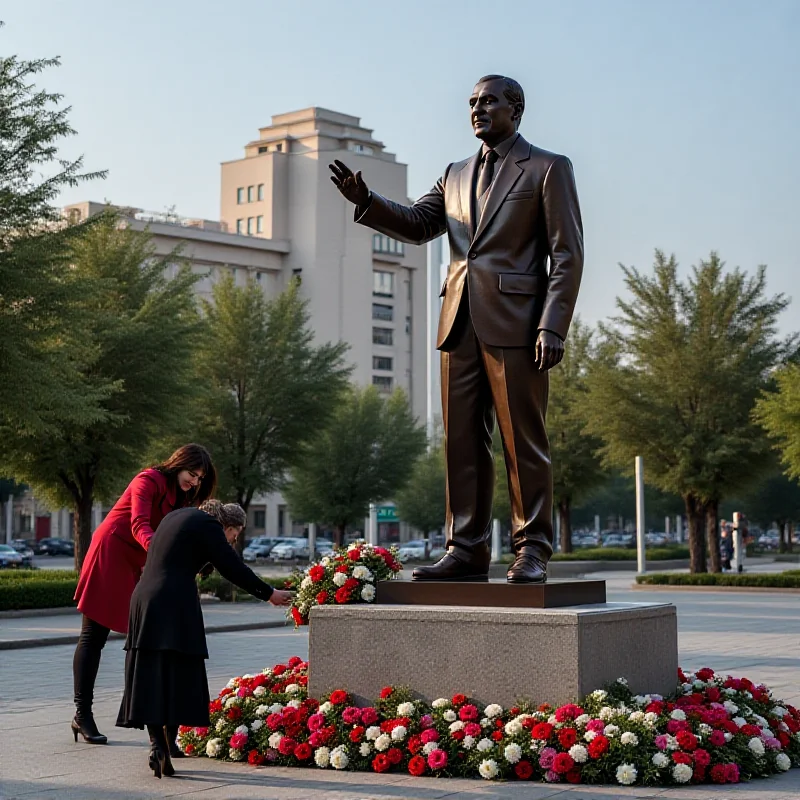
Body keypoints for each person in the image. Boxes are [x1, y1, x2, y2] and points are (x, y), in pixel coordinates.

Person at [330, 74, 583, 584]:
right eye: (471, 103)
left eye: (488, 101)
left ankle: (532, 547)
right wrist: (367, 200)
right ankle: (465, 549)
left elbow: (567, 253)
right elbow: (419, 224)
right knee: (461, 443)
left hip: (518, 324)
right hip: (458, 323)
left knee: (522, 442)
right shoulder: (455, 174)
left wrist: (553, 326)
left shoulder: (548, 168)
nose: (476, 109)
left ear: (516, 108)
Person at [116, 500, 292, 779]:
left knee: (150, 672)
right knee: (180, 672)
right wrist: (268, 593)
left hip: (143, 599)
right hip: (175, 602)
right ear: (228, 526)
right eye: (234, 535)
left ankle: (159, 746)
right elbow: (232, 567)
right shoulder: (209, 526)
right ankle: (166, 744)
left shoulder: (178, 517)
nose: (233, 541)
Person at [71, 444, 216, 745]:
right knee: (93, 636)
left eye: (200, 478)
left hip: (142, 561)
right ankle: (82, 714)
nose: (195, 481)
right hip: (112, 551)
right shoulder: (147, 480)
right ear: (179, 464)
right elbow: (140, 524)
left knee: (145, 641)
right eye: (193, 474)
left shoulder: (181, 498)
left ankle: (153, 721)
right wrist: (164, 554)